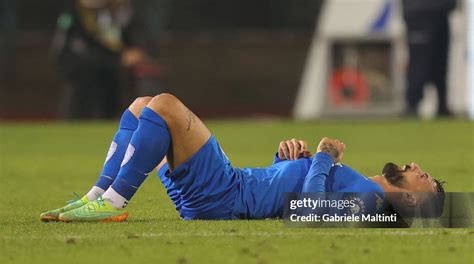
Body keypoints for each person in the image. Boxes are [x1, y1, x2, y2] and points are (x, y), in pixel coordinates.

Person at [40, 93, 445, 222]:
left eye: (421, 176)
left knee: (164, 104)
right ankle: (99, 193)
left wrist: (322, 157)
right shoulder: (361, 186)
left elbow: (308, 210)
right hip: (228, 190)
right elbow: (287, 188)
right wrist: (289, 156)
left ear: (410, 199)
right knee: (142, 104)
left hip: (225, 193)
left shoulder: (371, 205)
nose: (412, 165)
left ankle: (113, 203)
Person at [402, 0, 457, 117]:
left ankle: (442, 105)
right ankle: (412, 105)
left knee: (440, 63)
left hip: (440, 14)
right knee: (418, 63)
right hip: (419, 14)